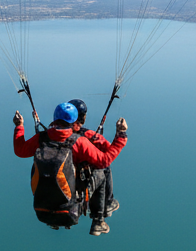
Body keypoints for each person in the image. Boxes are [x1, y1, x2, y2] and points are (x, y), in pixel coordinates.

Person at [13, 102, 127, 236]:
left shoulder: (42, 138)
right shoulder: (78, 141)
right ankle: (99, 220)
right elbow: (104, 161)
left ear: (55, 118)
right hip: (71, 209)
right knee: (101, 172)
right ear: (74, 122)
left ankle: (57, 219)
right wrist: (121, 135)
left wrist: (19, 126)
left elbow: (20, 150)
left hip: (42, 211)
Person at [68, 98, 120, 235]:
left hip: (60, 188)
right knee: (103, 169)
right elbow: (108, 152)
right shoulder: (86, 136)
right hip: (79, 189)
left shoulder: (51, 137)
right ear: (83, 117)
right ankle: (103, 211)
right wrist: (121, 135)